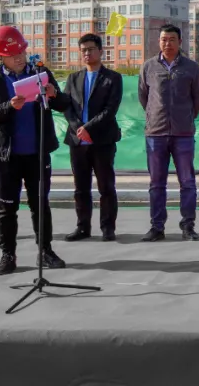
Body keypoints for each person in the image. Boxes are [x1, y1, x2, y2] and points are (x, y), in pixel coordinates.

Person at [0, 26, 71, 276]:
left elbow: (64, 103)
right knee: (6, 206)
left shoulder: (41, 72)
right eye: (12, 55)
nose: (19, 57)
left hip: (37, 153)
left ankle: (46, 251)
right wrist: (9, 107)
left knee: (40, 203)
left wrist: (53, 94)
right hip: (6, 155)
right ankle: (8, 254)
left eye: (21, 52)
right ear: (1, 57)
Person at [138, 24, 199, 242]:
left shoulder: (192, 68)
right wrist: (155, 116)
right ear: (159, 42)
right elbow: (144, 97)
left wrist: (185, 117)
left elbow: (198, 99)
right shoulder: (148, 67)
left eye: (172, 39)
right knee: (157, 183)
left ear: (180, 42)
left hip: (183, 134)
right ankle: (157, 227)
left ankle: (188, 226)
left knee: (187, 182)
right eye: (164, 39)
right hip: (155, 134)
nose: (167, 43)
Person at [60, 34, 123, 242]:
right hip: (78, 141)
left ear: (100, 51)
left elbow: (110, 109)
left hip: (102, 139)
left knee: (106, 186)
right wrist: (79, 128)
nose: (87, 53)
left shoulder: (113, 78)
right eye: (83, 50)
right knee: (81, 188)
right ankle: (83, 227)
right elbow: (67, 107)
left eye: (91, 49)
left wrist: (89, 128)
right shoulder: (73, 78)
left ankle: (108, 228)